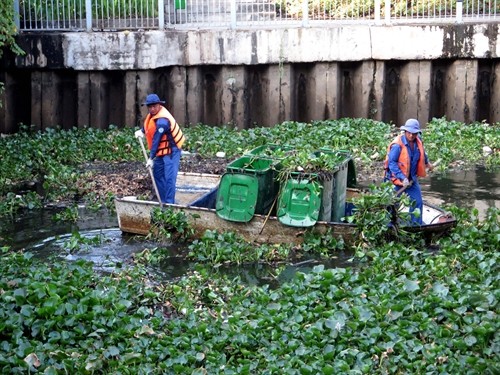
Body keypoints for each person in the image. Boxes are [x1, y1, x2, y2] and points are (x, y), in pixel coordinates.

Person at [134, 93, 185, 204]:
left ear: (159, 105)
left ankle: (169, 203)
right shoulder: (152, 115)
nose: (152, 109)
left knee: (169, 178)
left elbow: (156, 140)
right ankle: (162, 200)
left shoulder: (163, 121)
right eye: (150, 106)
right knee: (157, 174)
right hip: (162, 151)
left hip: (172, 150)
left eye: (154, 106)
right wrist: (142, 131)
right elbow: (150, 125)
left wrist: (151, 158)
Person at [384, 118, 434, 225]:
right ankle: (390, 227)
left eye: (414, 133)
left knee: (417, 202)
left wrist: (428, 163)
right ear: (405, 131)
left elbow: (422, 154)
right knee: (392, 204)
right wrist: (402, 178)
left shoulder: (418, 142)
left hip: (411, 179)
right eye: (409, 133)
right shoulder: (398, 145)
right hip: (395, 180)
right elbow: (392, 163)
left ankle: (415, 226)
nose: (411, 136)